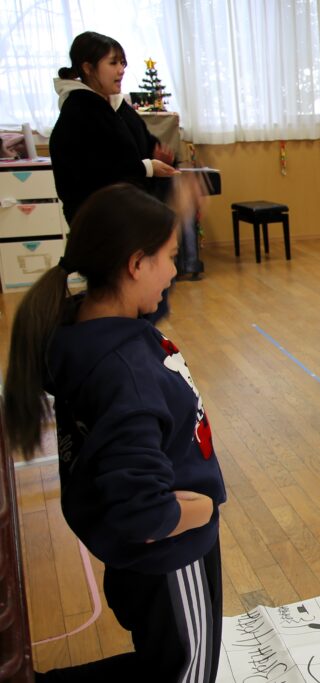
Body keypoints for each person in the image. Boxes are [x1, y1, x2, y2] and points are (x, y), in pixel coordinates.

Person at [3, 183, 224, 682]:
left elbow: (148, 307)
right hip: (171, 554)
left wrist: (175, 213)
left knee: (161, 659)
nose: (175, 271)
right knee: (187, 671)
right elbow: (142, 511)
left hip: (143, 563)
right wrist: (203, 510)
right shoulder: (126, 375)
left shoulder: (90, 326)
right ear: (135, 263)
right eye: (170, 258)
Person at [49, 31, 178, 225]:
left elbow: (142, 143)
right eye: (113, 63)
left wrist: (158, 156)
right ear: (88, 68)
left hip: (129, 209)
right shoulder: (79, 111)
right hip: (99, 218)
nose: (121, 69)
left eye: (122, 63)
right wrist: (147, 167)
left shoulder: (117, 105)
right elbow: (97, 170)